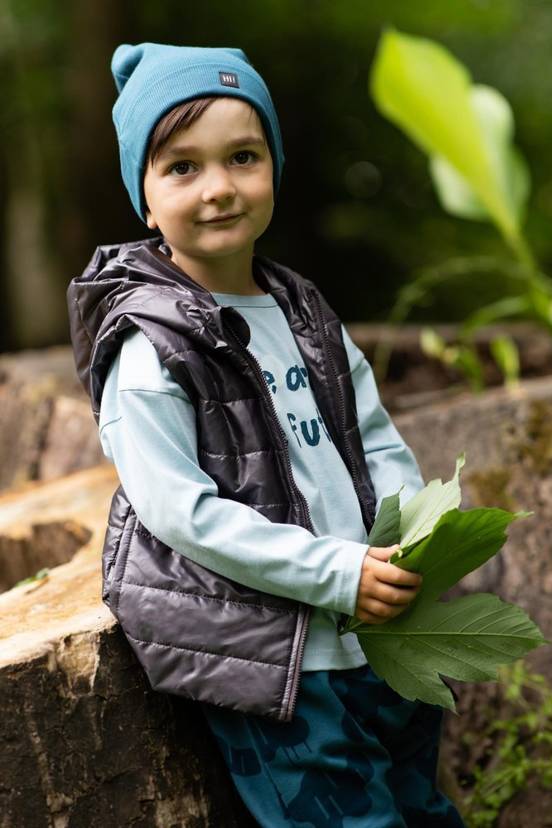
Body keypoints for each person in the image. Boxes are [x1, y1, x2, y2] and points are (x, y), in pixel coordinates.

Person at [67, 43, 465, 827]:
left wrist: (411, 526)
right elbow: (182, 512)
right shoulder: (149, 349)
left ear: (272, 168)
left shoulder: (301, 309)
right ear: (143, 198)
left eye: (242, 157)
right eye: (182, 168)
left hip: (376, 626)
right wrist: (334, 572)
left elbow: (372, 435)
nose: (218, 188)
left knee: (421, 806)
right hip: (279, 657)